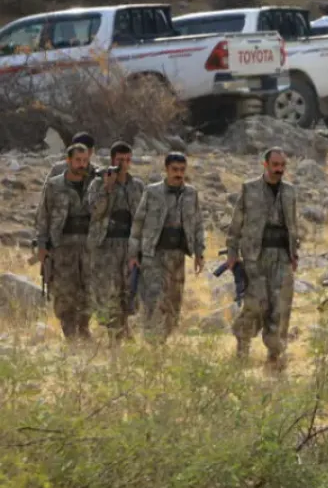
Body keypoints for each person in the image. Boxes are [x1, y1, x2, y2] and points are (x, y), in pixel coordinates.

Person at [226, 148, 300, 367]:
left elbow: (293, 225)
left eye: (282, 165)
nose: (279, 169)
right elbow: (236, 224)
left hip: (282, 257)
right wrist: (232, 253)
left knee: (281, 306)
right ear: (265, 164)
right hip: (255, 257)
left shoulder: (289, 192)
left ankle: (275, 355)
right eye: (275, 165)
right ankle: (242, 348)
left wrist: (293, 253)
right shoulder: (249, 189)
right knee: (255, 304)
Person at [128, 153, 206, 339]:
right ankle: (151, 342)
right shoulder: (152, 192)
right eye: (174, 170)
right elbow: (138, 222)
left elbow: (197, 224)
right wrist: (133, 253)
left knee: (173, 302)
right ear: (166, 169)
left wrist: (199, 252)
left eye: (182, 170)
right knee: (154, 299)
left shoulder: (191, 193)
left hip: (177, 256)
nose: (178, 174)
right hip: (154, 254)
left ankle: (163, 341)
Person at [34, 143, 96, 340]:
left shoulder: (95, 185)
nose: (81, 165)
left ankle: (84, 328)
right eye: (77, 160)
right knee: (64, 291)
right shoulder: (54, 185)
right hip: (62, 247)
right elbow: (43, 217)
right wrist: (42, 246)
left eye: (85, 161)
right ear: (68, 161)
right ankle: (69, 332)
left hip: (88, 246)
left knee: (88, 289)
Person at [86, 142, 145, 340]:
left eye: (128, 160)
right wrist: (108, 188)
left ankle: (123, 330)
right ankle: (114, 334)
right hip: (106, 245)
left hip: (129, 245)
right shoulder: (98, 184)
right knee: (108, 289)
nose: (124, 164)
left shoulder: (137, 186)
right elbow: (94, 212)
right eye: (120, 160)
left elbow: (142, 217)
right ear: (112, 160)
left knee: (129, 290)